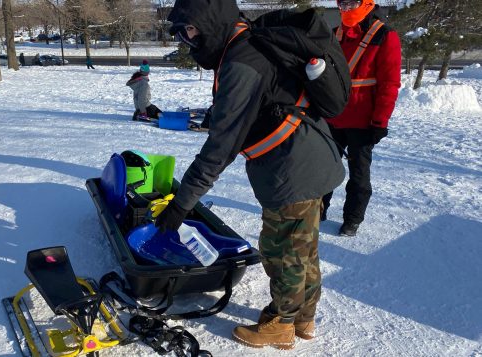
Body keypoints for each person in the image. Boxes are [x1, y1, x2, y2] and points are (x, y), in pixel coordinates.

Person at [155, 0, 344, 350]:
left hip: (293, 169)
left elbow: (221, 148)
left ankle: (281, 324)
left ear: (211, 22)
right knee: (304, 248)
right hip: (310, 156)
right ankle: (304, 318)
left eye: (191, 29)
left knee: (282, 250)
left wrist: (182, 204)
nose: (187, 39)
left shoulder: (241, 61)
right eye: (182, 32)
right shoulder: (247, 40)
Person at [322, 0, 401, 237]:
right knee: (323, 169)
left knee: (358, 174)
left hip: (363, 121)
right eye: (341, 3)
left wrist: (380, 121)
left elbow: (390, 84)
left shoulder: (384, 36)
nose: (346, 9)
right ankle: (318, 210)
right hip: (331, 117)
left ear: (367, 3)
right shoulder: (334, 33)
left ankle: (352, 219)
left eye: (351, 3)